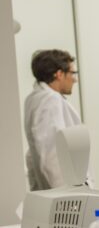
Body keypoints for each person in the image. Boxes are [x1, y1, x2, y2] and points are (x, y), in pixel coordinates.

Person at [24, 49, 83, 190]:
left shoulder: (34, 99)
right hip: (63, 198)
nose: (75, 79)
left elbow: (33, 155)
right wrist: (68, 200)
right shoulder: (50, 100)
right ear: (59, 74)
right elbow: (51, 156)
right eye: (72, 73)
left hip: (50, 193)